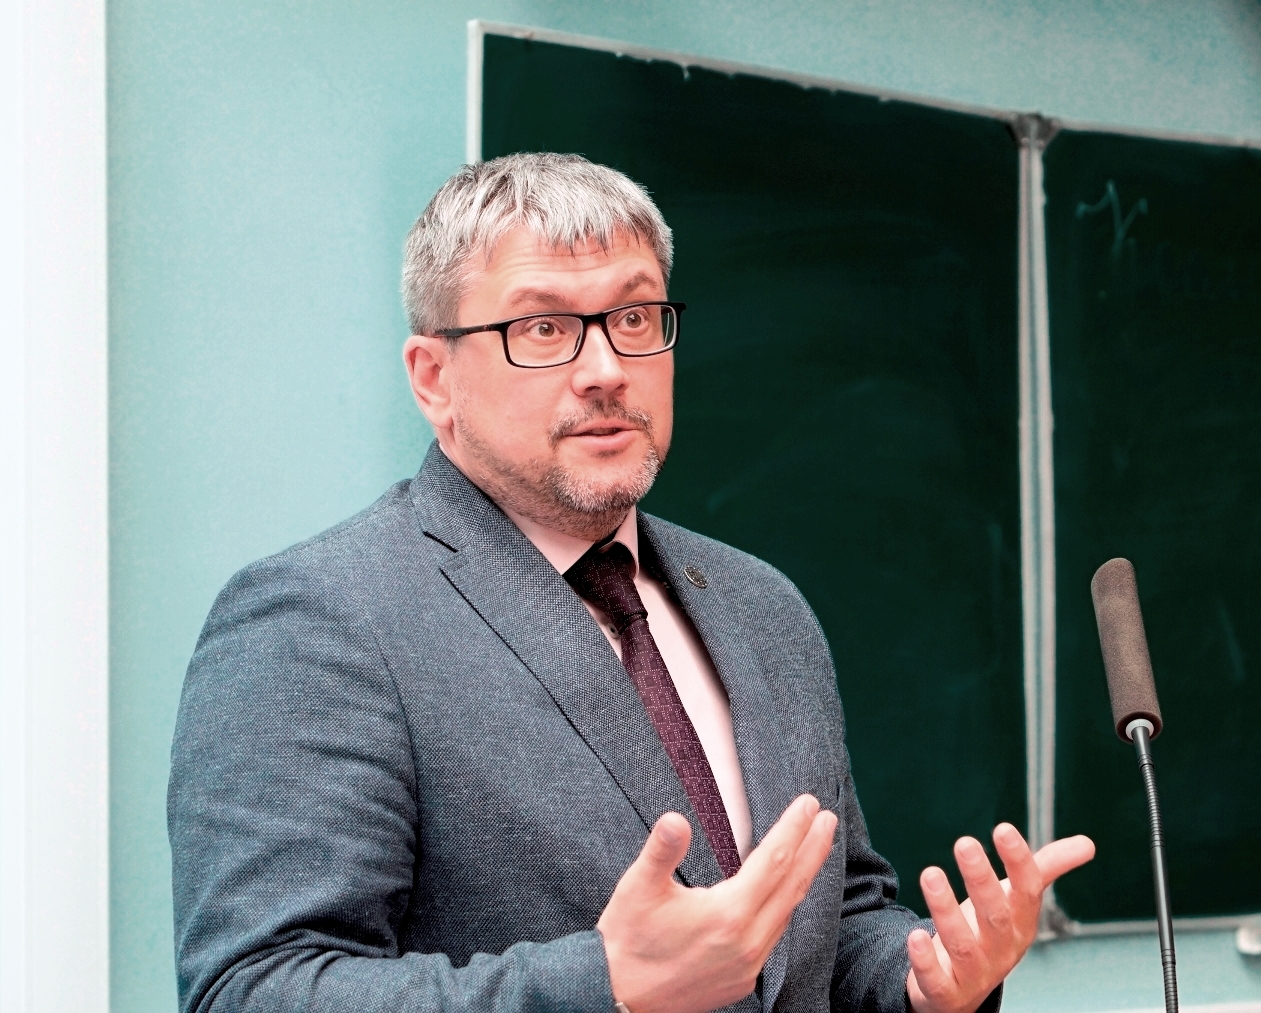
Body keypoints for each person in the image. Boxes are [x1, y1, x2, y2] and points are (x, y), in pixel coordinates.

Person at [168, 152, 1093, 1013]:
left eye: (635, 318)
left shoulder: (762, 605)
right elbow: (256, 988)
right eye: (543, 328)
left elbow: (831, 921)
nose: (606, 370)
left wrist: (921, 978)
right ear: (433, 377)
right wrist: (605, 983)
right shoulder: (319, 619)